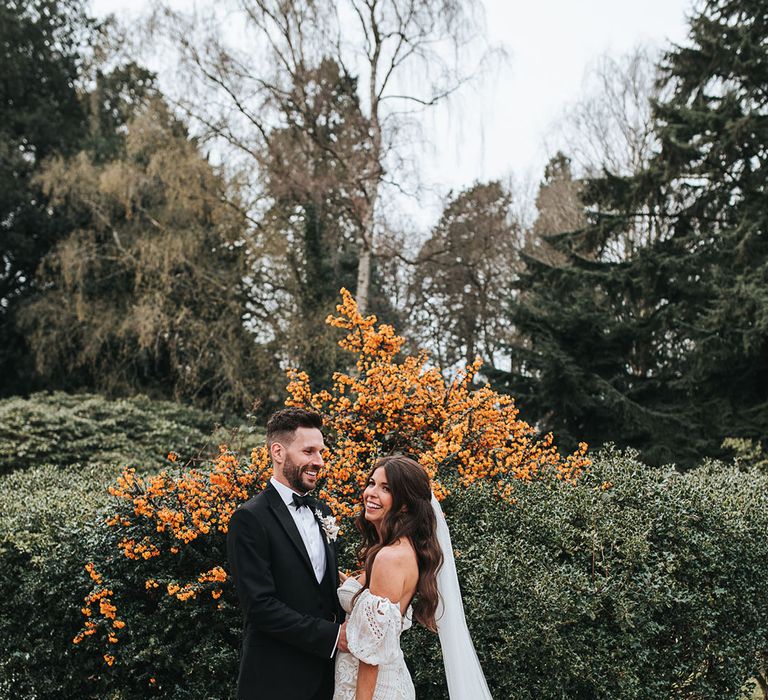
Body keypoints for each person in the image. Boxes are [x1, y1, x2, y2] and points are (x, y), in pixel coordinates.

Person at [333, 455, 493, 700]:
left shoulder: (390, 558)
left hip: (372, 691)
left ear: (405, 504)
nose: (371, 493)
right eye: (371, 483)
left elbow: (371, 654)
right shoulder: (401, 549)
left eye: (385, 488)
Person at [227, 407, 347, 700]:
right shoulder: (250, 519)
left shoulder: (323, 512)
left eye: (321, 452)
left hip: (327, 679)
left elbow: (321, 591)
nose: (318, 462)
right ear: (278, 452)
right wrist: (332, 636)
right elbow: (260, 606)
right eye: (308, 451)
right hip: (275, 680)